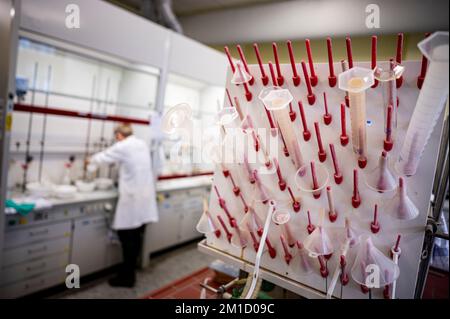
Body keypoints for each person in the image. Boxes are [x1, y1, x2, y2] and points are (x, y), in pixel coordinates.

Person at [90, 123, 158, 287]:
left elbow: (103, 157)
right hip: (145, 199)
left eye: (116, 137)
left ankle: (127, 277)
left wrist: (89, 160)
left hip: (132, 200)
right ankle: (129, 272)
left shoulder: (123, 145)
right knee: (135, 238)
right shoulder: (141, 144)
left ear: (119, 135)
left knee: (127, 239)